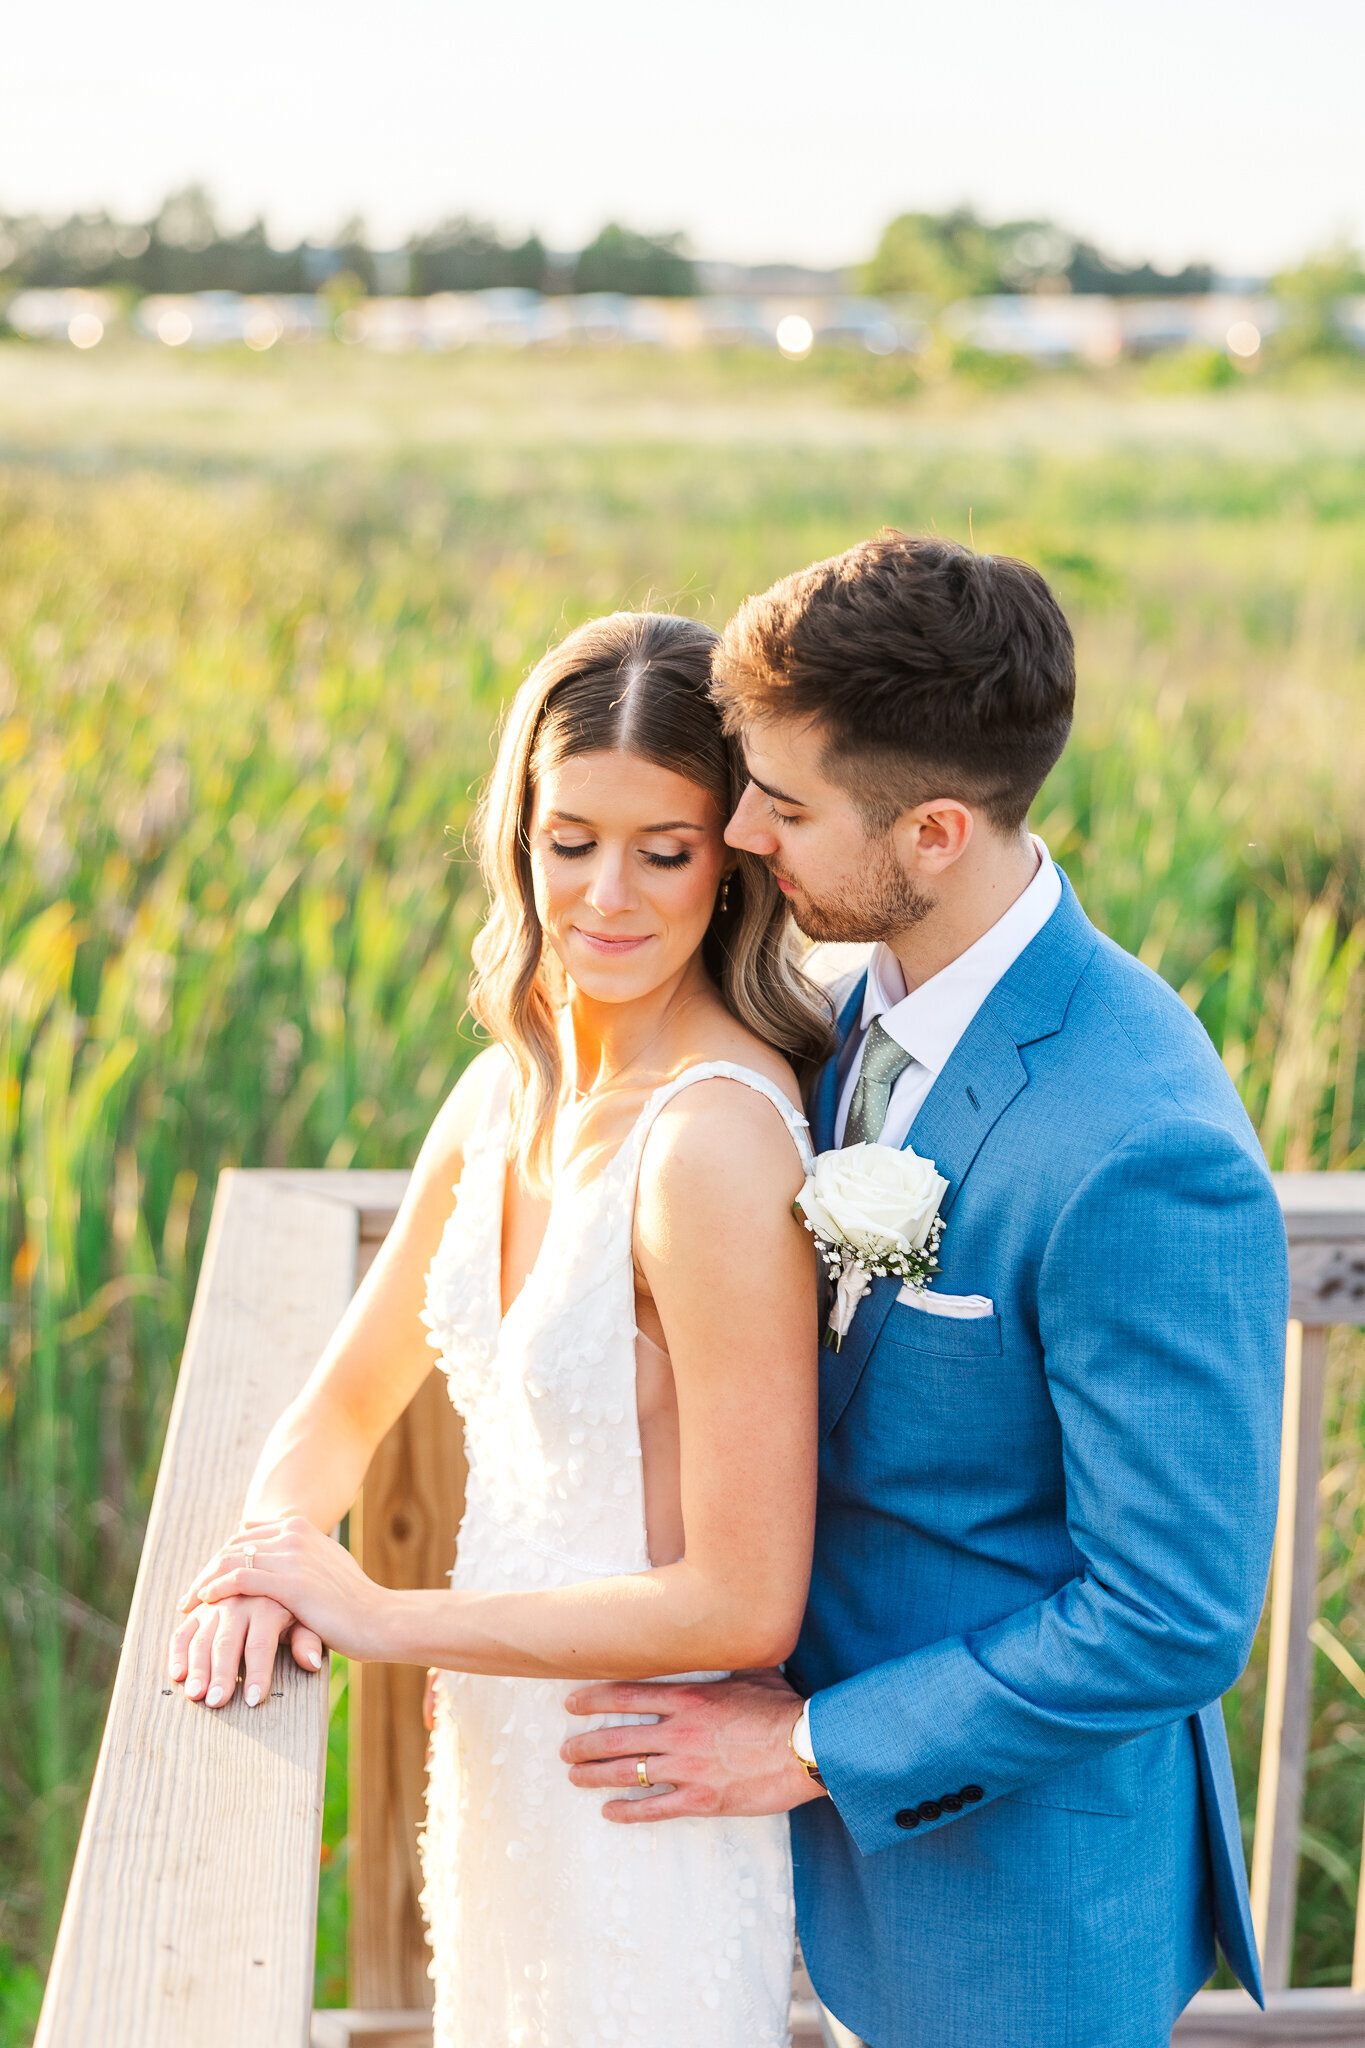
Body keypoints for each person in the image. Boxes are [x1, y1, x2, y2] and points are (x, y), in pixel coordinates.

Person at [560, 536, 1289, 2048]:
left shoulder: (1138, 1144)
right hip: (797, 1851)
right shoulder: (832, 1008)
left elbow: (1168, 1616)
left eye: (785, 803)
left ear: (936, 830)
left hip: (1011, 1898)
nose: (741, 829)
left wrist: (812, 1743)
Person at [167, 612, 834, 2048]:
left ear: (729, 864)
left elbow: (739, 1597)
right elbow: (343, 1403)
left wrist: (382, 1618)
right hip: (502, 1773)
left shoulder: (711, 1145)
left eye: (663, 849)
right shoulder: (503, 1096)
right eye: (567, 838)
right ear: (515, 835)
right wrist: (265, 1565)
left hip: (640, 1789)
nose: (606, 893)